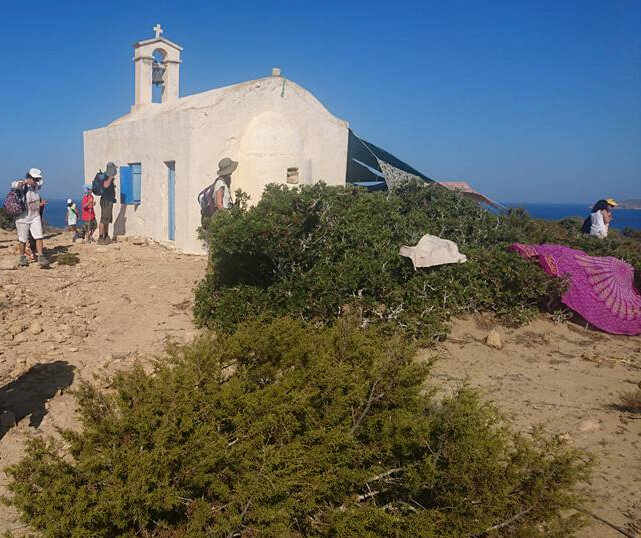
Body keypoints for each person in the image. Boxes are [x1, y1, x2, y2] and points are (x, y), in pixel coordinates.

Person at [11, 168, 50, 267]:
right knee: (23, 239)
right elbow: (14, 185)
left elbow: (34, 202)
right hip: (23, 217)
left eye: (37, 179)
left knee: (39, 235)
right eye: (34, 179)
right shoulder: (22, 186)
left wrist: (40, 204)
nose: (36, 181)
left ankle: (41, 256)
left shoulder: (35, 188)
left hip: (34, 216)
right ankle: (22, 257)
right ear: (29, 177)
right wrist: (25, 182)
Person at [197, 157, 238, 228]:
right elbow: (219, 204)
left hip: (223, 216)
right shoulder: (220, 183)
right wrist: (228, 217)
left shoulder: (223, 182)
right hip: (222, 218)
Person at [98, 162, 117, 244]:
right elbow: (105, 185)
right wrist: (110, 177)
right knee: (103, 219)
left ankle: (106, 236)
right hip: (106, 201)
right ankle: (100, 238)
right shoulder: (106, 176)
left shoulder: (108, 176)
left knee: (107, 219)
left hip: (109, 201)